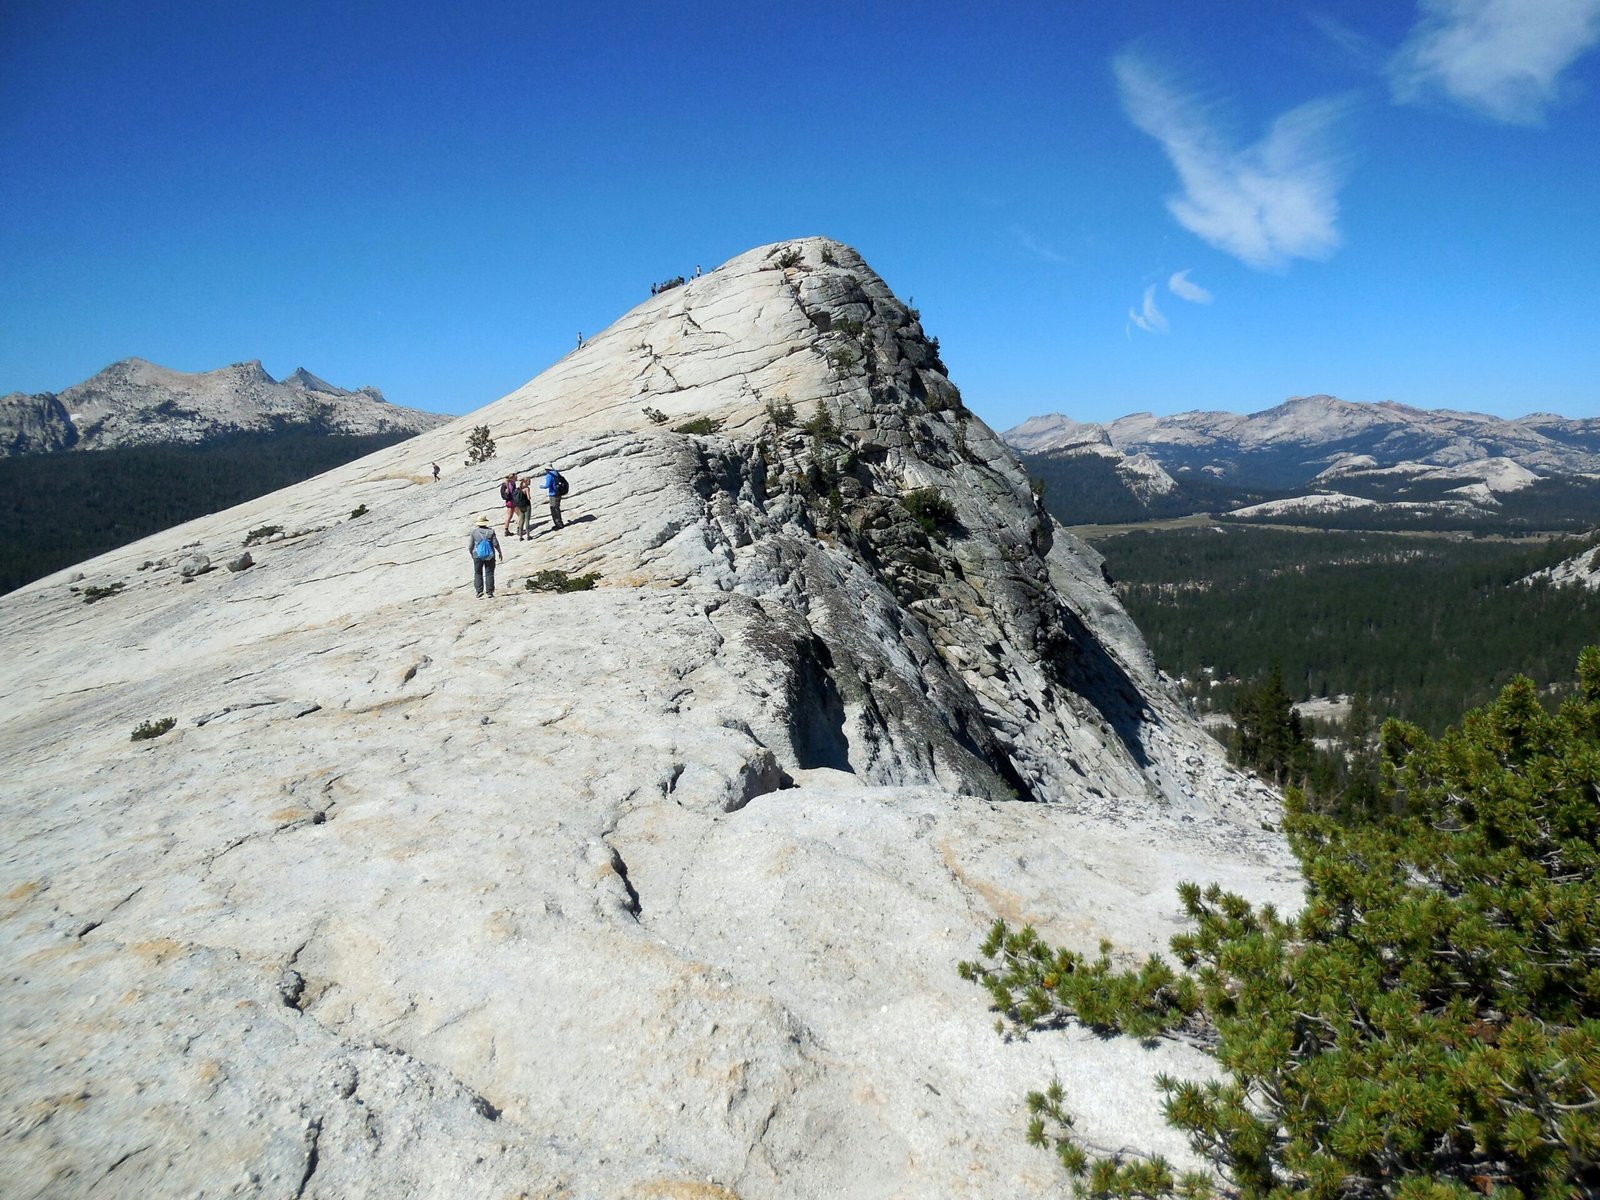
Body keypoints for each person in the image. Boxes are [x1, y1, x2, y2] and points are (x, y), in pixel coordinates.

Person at [469, 516, 503, 598]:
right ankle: (490, 592)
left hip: (477, 555)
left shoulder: (474, 532)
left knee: (478, 572)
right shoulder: (491, 531)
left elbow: (471, 545)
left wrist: (471, 553)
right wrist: (499, 552)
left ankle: (479, 591)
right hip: (490, 555)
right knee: (489, 573)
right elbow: (495, 543)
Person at [543, 465, 564, 530]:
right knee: (557, 508)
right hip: (558, 493)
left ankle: (558, 524)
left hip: (553, 494)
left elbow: (547, 485)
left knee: (553, 509)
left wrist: (541, 486)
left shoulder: (549, 475)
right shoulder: (556, 473)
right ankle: (560, 523)